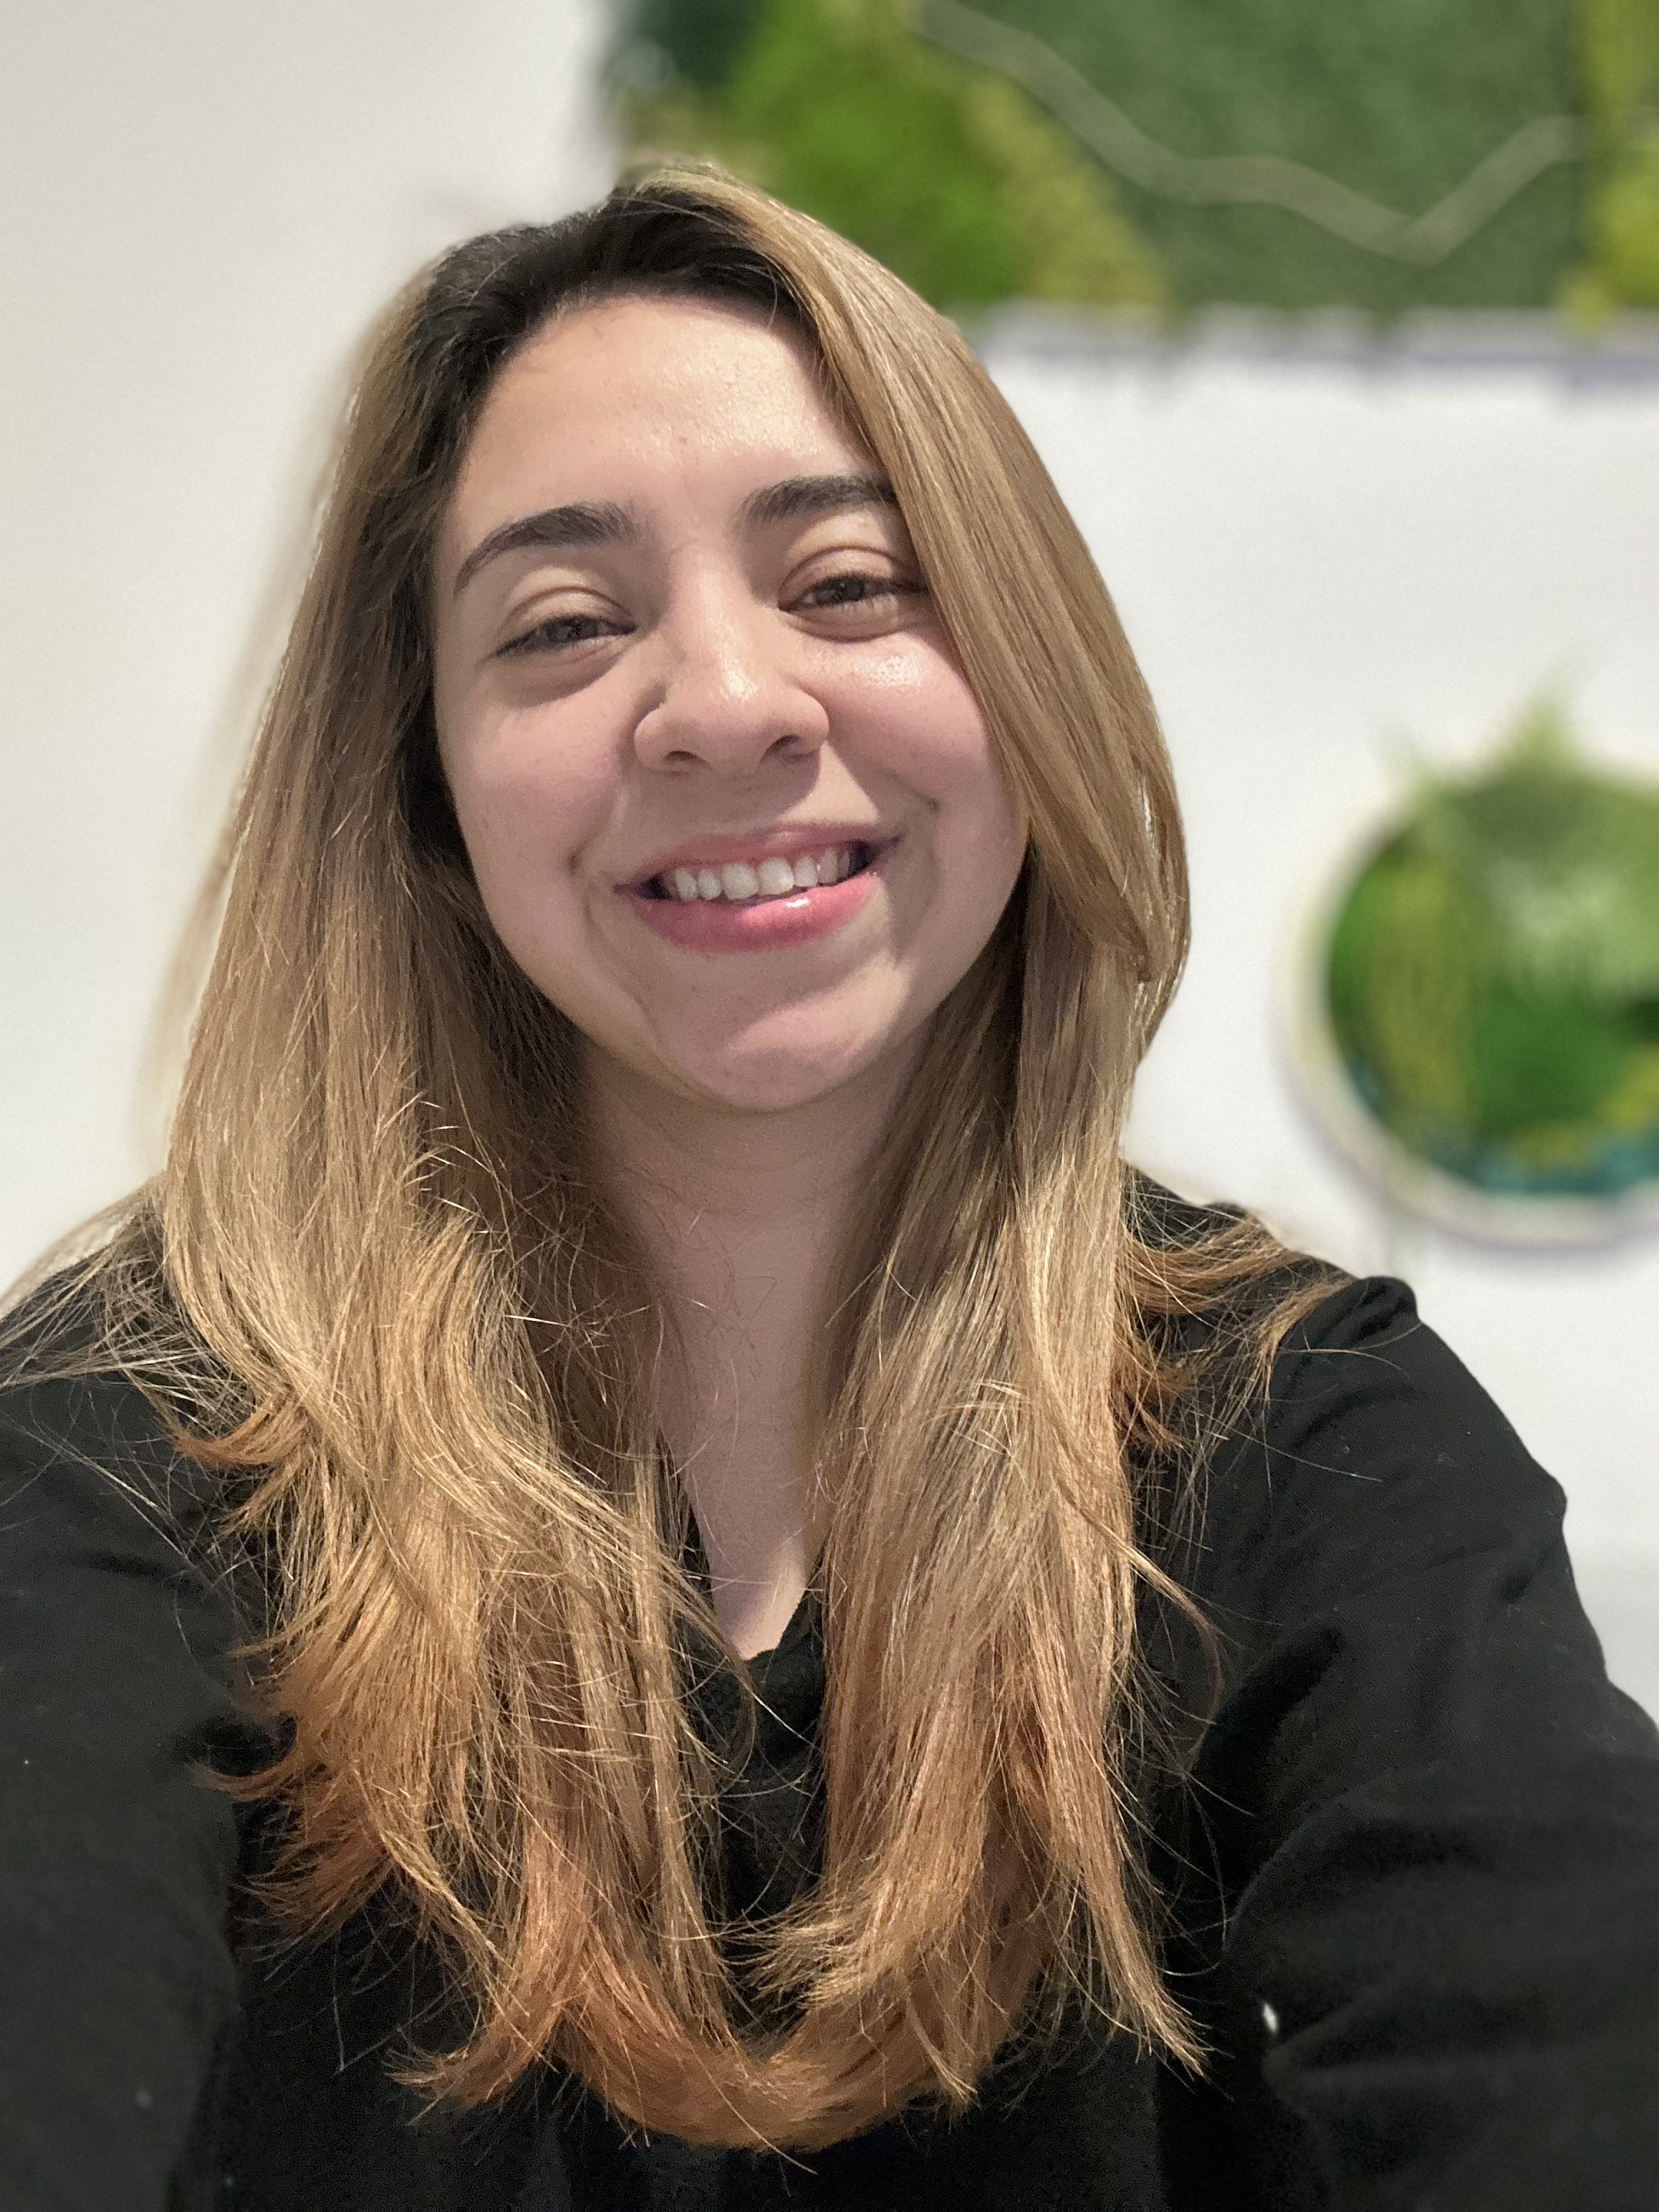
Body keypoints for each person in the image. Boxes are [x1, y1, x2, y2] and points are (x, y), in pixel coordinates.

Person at [1, 169, 1655, 2212]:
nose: (723, 703)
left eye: (850, 584)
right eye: (564, 624)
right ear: (422, 788)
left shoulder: (1308, 1429)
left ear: (1027, 681)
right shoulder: (129, 1440)